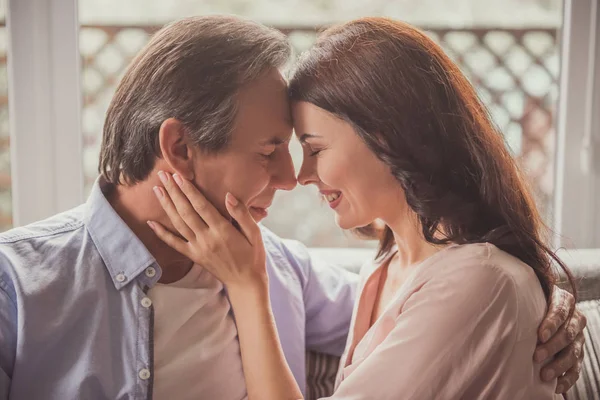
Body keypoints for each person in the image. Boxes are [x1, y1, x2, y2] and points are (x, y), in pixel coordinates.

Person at [0, 15, 585, 400]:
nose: (290, 178)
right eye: (270, 150)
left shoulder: (277, 270)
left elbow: (449, 297)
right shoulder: (17, 289)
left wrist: (549, 300)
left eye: (302, 148)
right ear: (179, 148)